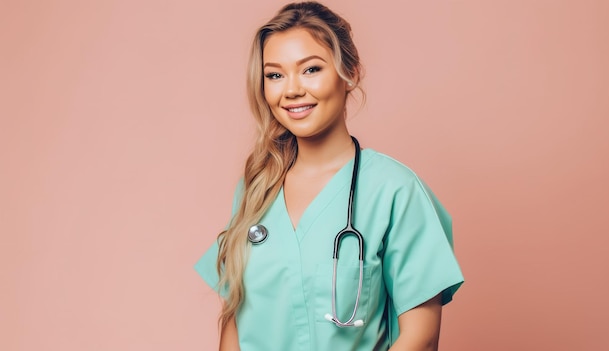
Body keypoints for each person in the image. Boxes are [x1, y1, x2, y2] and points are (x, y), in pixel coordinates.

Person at [195, 2, 464, 350]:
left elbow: (421, 338)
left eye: (310, 69)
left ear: (349, 72)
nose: (291, 90)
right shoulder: (256, 189)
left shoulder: (394, 191)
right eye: (274, 75)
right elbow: (234, 322)